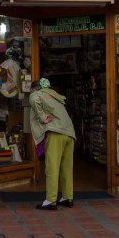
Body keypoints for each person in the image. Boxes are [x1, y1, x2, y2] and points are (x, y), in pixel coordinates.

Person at [28, 78, 76, 210]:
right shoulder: (54, 96)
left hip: (55, 132)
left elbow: (33, 98)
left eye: (30, 90)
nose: (30, 93)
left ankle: (51, 200)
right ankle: (67, 197)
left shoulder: (37, 94)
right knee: (67, 168)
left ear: (34, 89)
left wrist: (43, 118)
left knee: (52, 167)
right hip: (69, 133)